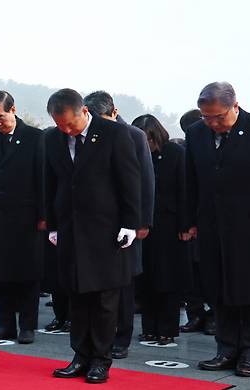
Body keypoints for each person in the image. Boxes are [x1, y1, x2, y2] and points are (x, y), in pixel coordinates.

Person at [45, 89, 140, 384]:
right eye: (60, 125)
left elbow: (130, 180)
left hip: (106, 229)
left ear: (84, 112)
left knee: (104, 299)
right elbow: (49, 182)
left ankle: (101, 359)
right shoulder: (52, 138)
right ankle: (80, 355)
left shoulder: (113, 133)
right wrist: (52, 225)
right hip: (70, 229)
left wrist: (131, 223)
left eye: (70, 125)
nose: (67, 130)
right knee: (77, 295)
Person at [83, 91, 155, 359]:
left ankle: (121, 337)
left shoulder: (132, 135)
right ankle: (97, 336)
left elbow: (145, 182)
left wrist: (142, 221)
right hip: (97, 223)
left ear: (114, 112)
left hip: (127, 222)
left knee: (123, 282)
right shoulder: (89, 136)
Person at [185, 82, 250, 376]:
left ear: (235, 106)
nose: (212, 123)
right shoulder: (196, 134)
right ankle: (226, 348)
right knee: (219, 287)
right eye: (206, 117)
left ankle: (248, 350)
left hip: (244, 227)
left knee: (245, 289)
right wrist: (190, 221)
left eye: (218, 117)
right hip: (211, 225)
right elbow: (191, 180)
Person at [0, 91, 45, 344]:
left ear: (13, 109)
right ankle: (5, 325)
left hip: (27, 218)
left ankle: (27, 326)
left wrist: (43, 215)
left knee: (27, 274)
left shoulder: (35, 138)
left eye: (1, 116)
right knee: (1, 273)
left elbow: (42, 178)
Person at [132, 114, 190, 345]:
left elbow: (185, 191)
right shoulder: (135, 156)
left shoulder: (176, 154)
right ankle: (149, 327)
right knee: (146, 278)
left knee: (168, 279)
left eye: (148, 139)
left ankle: (167, 328)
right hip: (144, 224)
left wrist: (186, 225)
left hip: (170, 225)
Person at [179, 109, 216, 336]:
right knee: (191, 273)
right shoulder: (187, 149)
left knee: (210, 275)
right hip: (194, 221)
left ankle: (213, 317)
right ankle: (196, 314)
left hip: (213, 222)